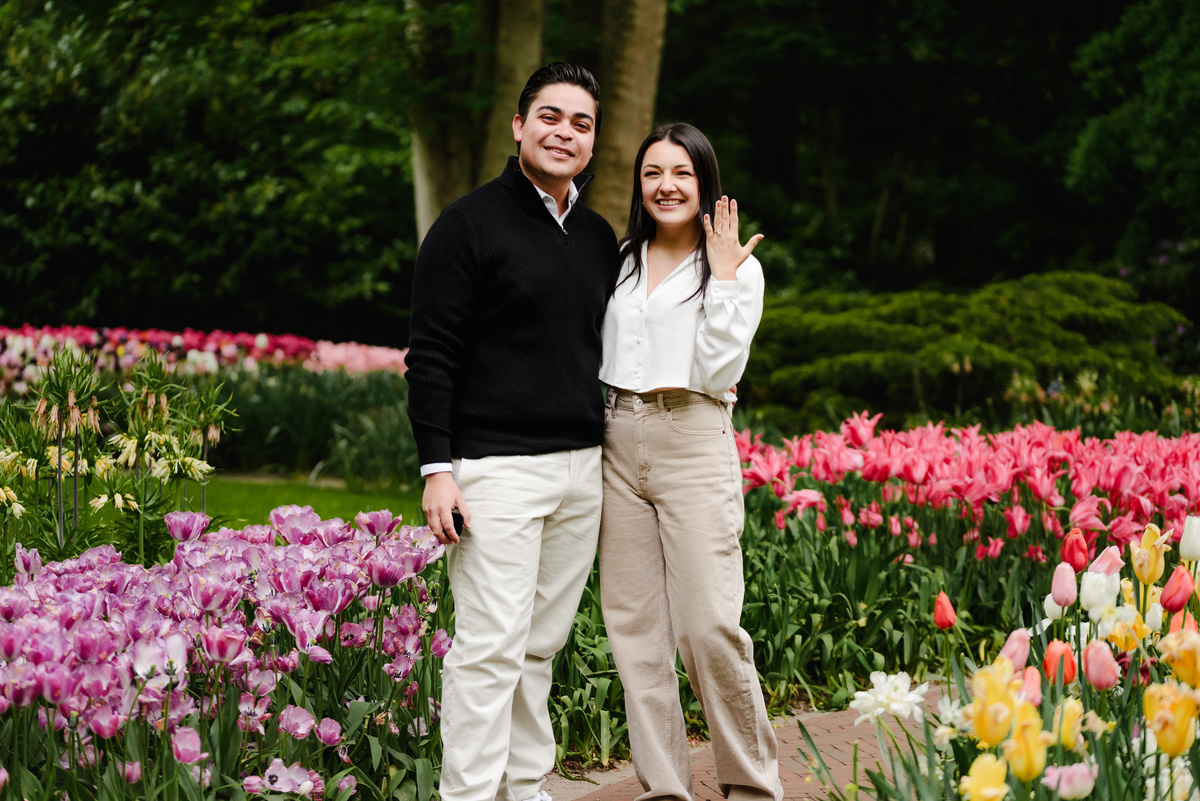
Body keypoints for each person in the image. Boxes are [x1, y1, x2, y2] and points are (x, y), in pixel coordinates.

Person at [404, 63, 619, 801]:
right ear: (520, 125)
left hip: (581, 470)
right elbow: (431, 355)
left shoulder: (598, 237)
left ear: (593, 141)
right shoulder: (466, 226)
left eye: (581, 123)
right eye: (550, 116)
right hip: (495, 471)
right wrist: (437, 468)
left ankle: (524, 787)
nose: (565, 133)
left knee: (539, 646)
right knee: (490, 647)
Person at [597, 123, 781, 801]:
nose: (666, 186)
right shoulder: (621, 259)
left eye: (681, 173)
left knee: (709, 627)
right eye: (653, 173)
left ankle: (752, 785)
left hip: (693, 436)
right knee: (636, 632)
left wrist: (724, 278)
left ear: (705, 183)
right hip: (616, 438)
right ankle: (666, 788)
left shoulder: (736, 267)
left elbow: (720, 370)